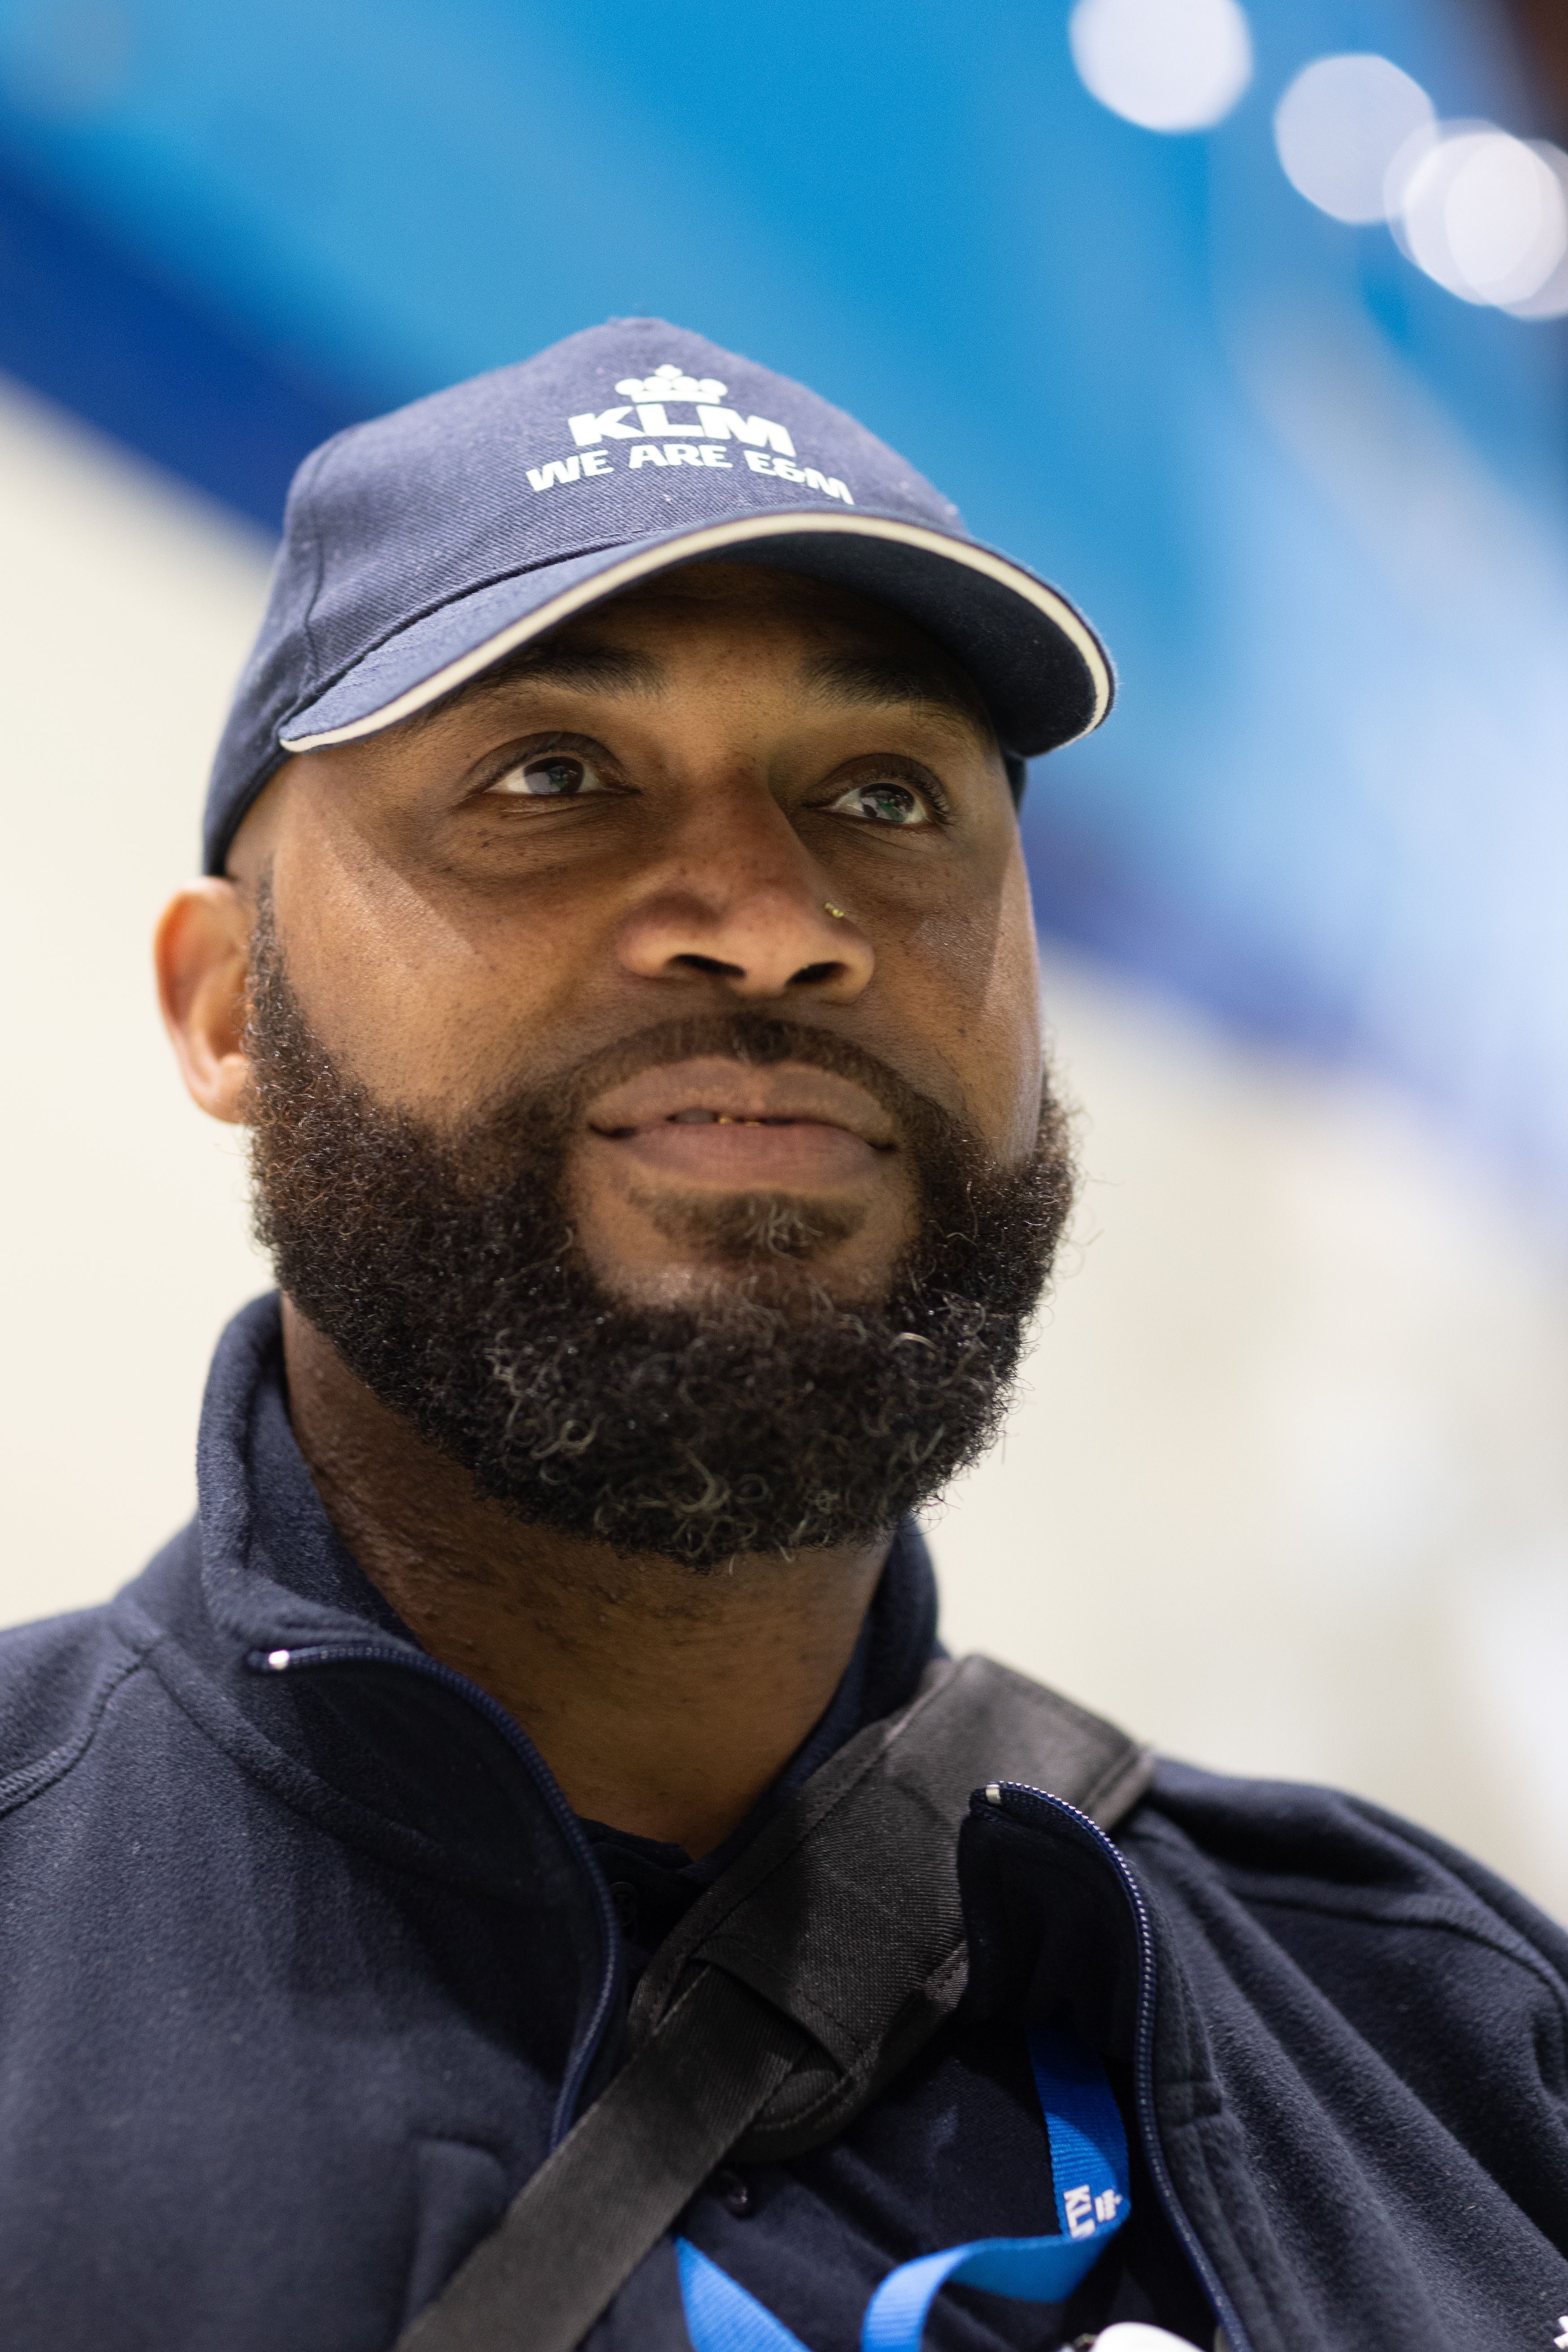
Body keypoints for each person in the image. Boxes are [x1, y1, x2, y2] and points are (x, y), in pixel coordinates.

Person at [1, 322, 1563, 2352]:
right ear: (227, 1010)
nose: (768, 914)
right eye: (551, 777)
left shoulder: (1443, 2057)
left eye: (888, 794)